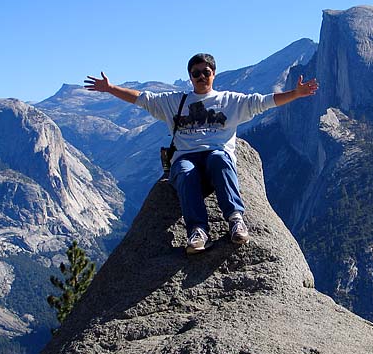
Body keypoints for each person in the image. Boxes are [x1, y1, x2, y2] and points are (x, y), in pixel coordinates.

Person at [84, 53, 318, 254]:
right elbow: (141, 98)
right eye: (196, 73)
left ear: (213, 73)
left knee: (219, 160)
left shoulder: (229, 101)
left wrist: (294, 94)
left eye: (205, 72)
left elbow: (264, 102)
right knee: (185, 173)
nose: (201, 77)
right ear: (190, 77)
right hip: (185, 158)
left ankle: (235, 220)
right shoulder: (175, 102)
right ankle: (197, 231)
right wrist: (110, 88)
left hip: (217, 154)